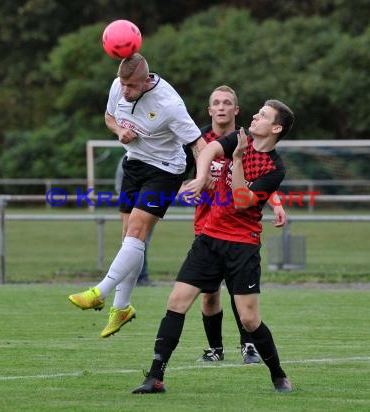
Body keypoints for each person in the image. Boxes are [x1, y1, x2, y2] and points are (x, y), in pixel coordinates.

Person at [132, 99, 295, 394]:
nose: (255, 117)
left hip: (242, 246)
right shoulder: (239, 136)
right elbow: (207, 149)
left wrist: (235, 161)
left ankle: (279, 375)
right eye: (257, 113)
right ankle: (155, 377)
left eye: (263, 115)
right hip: (209, 239)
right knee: (176, 302)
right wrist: (201, 177)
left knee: (248, 318)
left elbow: (242, 201)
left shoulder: (274, 168)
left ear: (276, 128)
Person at [68, 53, 205, 338]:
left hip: (165, 169)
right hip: (134, 163)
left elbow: (199, 144)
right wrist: (119, 130)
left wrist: (201, 177)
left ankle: (99, 291)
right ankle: (122, 309)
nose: (125, 90)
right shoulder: (118, 86)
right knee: (129, 240)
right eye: (123, 84)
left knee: (136, 230)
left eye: (131, 85)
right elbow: (108, 117)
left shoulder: (170, 104)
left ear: (146, 80)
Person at [191, 86, 287, 365]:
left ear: (237, 110)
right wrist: (198, 182)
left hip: (238, 228)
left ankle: (248, 345)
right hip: (206, 223)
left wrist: (277, 202)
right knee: (209, 294)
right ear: (209, 110)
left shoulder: (249, 139)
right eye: (216, 103)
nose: (221, 108)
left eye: (227, 103)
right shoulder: (199, 140)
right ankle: (215, 349)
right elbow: (183, 176)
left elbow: (262, 178)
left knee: (239, 292)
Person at [114, 157, 154, 286]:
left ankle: (138, 276)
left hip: (145, 204)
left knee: (139, 241)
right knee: (134, 240)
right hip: (134, 204)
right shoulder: (129, 159)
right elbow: (122, 186)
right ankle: (137, 276)